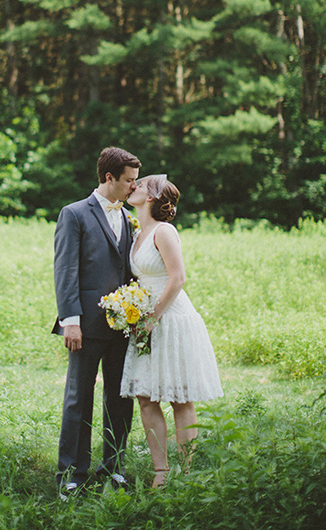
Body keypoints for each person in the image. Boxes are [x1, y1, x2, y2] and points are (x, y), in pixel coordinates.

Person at [120, 174, 223, 488]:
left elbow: (178, 278)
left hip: (172, 318)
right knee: (145, 397)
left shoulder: (164, 231)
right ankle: (161, 473)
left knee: (180, 396)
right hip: (145, 320)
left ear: (151, 197)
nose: (132, 186)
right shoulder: (138, 232)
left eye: (139, 185)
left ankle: (188, 472)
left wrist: (153, 317)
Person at [53, 146, 141, 498]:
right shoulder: (74, 214)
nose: (134, 187)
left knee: (120, 397)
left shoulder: (128, 216)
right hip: (85, 325)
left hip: (123, 325)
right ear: (109, 178)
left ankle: (114, 466)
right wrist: (70, 320)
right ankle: (72, 473)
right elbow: (65, 270)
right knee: (79, 397)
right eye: (129, 181)